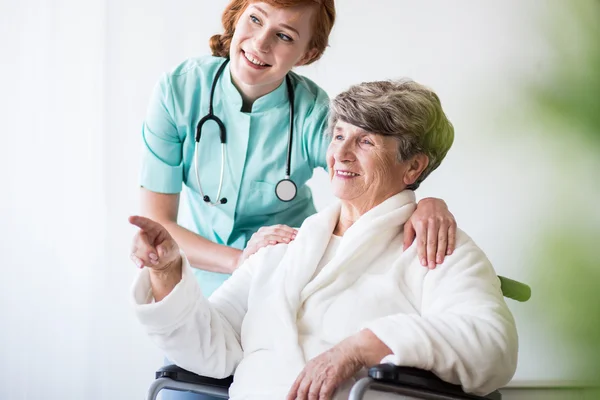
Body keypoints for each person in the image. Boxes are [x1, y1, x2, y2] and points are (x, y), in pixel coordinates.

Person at [130, 79, 518, 400]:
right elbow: (210, 349)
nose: (341, 154)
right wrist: (166, 273)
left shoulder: (433, 247)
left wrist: (359, 348)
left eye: (366, 142)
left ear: (413, 166)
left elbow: (492, 344)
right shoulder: (280, 251)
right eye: (338, 136)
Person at [137, 0, 458, 303]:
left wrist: (427, 202)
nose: (261, 44)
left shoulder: (317, 114)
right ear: (236, 16)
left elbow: (373, 176)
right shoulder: (178, 90)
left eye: (284, 36)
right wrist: (241, 261)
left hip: (287, 279)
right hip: (198, 284)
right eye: (255, 18)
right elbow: (157, 221)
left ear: (307, 54)